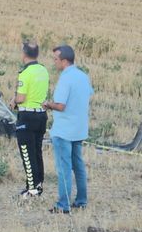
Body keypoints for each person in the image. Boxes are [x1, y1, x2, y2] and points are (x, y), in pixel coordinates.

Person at [43, 45, 93, 214]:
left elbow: (61, 105)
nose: (54, 62)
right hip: (79, 129)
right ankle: (81, 201)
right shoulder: (83, 76)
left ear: (64, 61)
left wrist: (48, 104)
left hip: (64, 130)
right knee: (78, 165)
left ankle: (63, 205)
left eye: (55, 59)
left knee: (64, 167)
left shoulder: (65, 79)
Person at [9, 41, 49, 198]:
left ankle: (31, 189)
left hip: (27, 116)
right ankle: (38, 185)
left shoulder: (25, 73)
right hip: (41, 115)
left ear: (24, 54)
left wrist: (13, 101)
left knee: (27, 152)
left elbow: (21, 97)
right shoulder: (43, 70)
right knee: (37, 151)